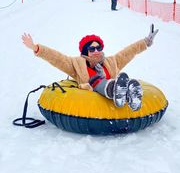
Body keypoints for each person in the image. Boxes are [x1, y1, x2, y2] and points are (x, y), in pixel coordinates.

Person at [21, 24, 158, 111]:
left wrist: (146, 42)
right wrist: (36, 48)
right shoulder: (77, 65)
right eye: (92, 49)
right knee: (96, 80)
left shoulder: (111, 61)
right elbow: (57, 58)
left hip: (115, 90)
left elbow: (128, 52)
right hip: (93, 92)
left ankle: (129, 95)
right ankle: (114, 88)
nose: (96, 51)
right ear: (86, 52)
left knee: (124, 81)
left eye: (98, 47)